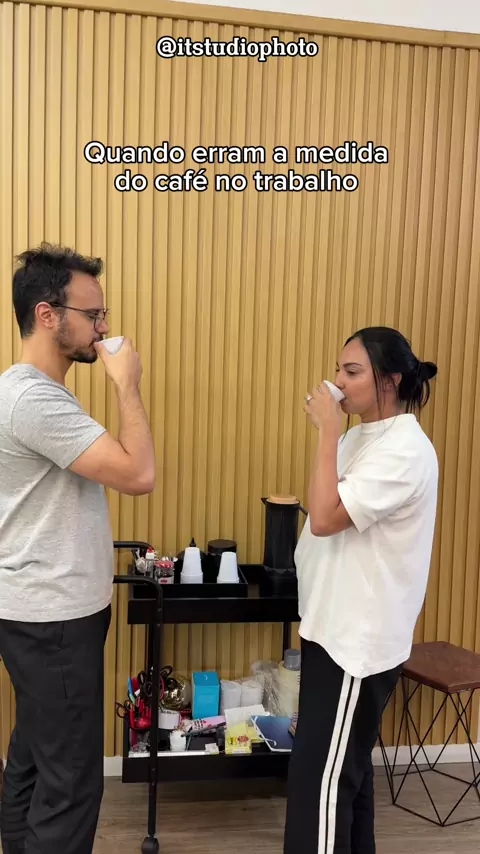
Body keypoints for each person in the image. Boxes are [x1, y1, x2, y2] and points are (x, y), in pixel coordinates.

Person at [0, 244, 155, 854]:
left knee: (36, 756)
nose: (104, 327)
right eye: (93, 314)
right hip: (53, 617)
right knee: (69, 780)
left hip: (45, 613)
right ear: (47, 315)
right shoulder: (34, 400)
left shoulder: (34, 394)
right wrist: (127, 385)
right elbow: (138, 473)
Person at [283, 326, 439, 854]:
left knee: (319, 785)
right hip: (329, 627)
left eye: (352, 372)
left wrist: (327, 432)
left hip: (357, 642)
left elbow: (325, 518)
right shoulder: (361, 437)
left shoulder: (405, 451)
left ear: (389, 381)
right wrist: (336, 435)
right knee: (346, 775)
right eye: (338, 370)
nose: (338, 382)